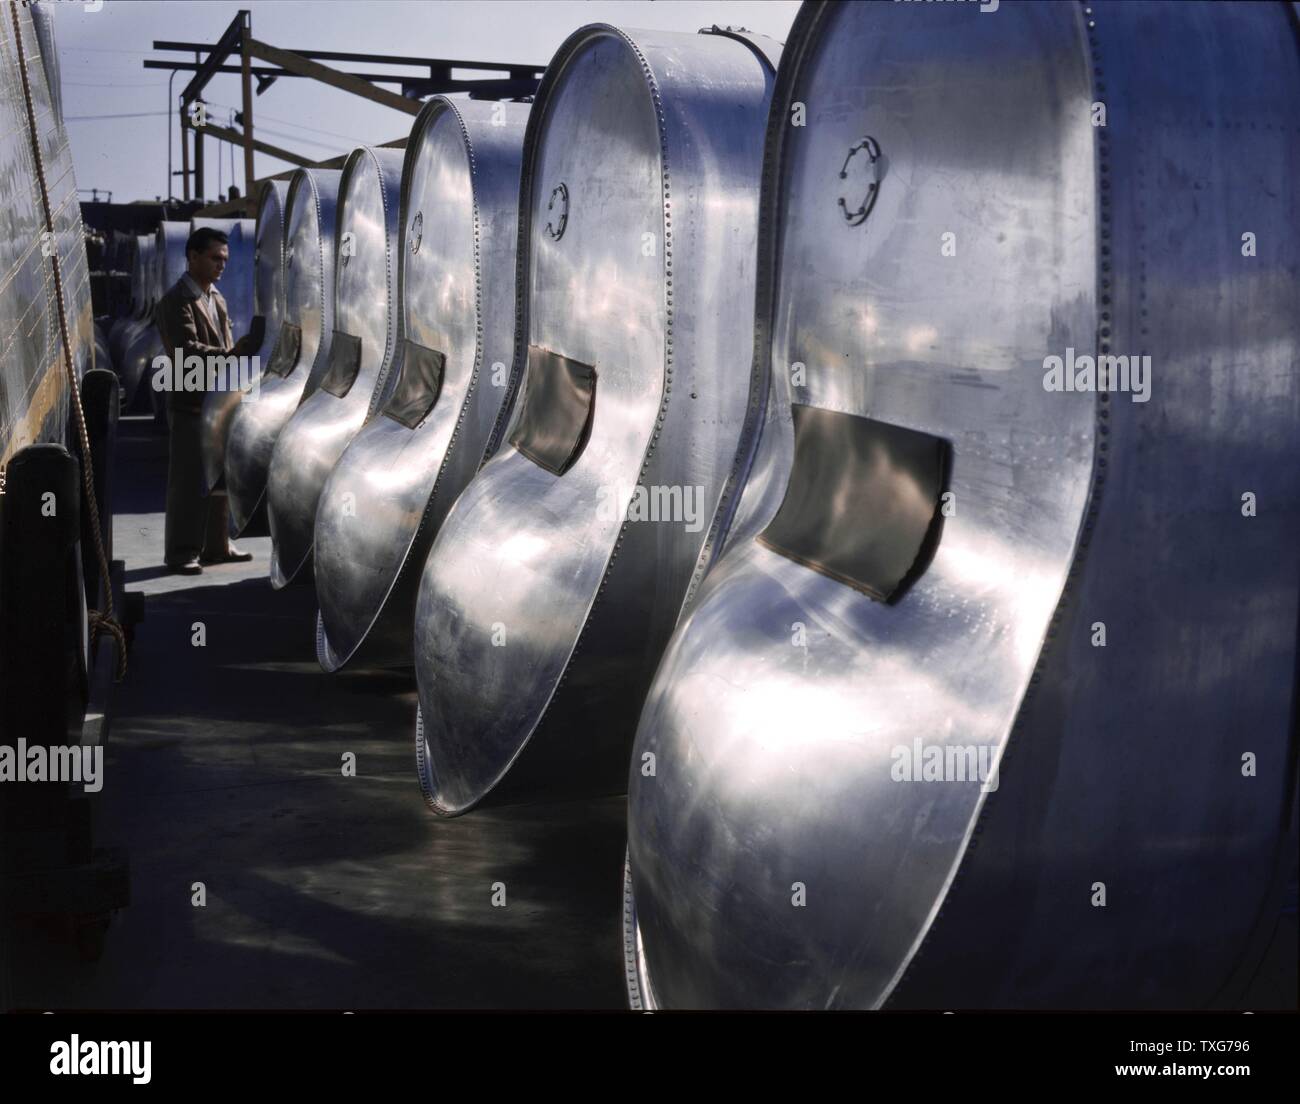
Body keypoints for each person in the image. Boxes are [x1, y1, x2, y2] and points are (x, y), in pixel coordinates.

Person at [154, 226, 255, 575]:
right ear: (193, 256)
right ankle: (181, 552)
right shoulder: (175, 301)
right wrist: (233, 353)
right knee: (187, 481)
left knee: (218, 478)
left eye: (225, 259)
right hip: (190, 403)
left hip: (217, 401)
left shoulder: (217, 298)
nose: (221, 265)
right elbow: (186, 352)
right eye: (215, 258)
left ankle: (216, 545)